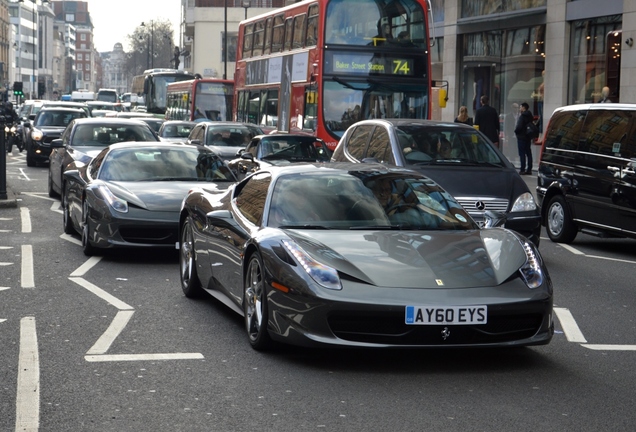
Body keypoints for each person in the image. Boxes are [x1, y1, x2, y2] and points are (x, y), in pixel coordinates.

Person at [514, 102, 534, 175]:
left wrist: (516, 131)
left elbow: (519, 127)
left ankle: (522, 169)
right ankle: (529, 169)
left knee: (522, 153)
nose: (520, 108)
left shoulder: (522, 116)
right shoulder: (530, 116)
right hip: (528, 136)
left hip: (521, 137)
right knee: (528, 153)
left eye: (520, 107)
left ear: (523, 108)